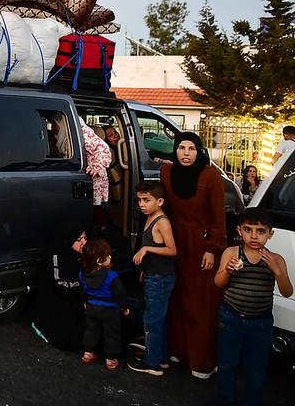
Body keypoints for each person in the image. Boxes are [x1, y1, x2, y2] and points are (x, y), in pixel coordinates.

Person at [160, 131, 226, 379]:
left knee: (200, 303)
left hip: (202, 246)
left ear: (199, 152)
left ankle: (202, 361)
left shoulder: (210, 176)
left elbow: (219, 220)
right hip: (175, 243)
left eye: (191, 149)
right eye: (181, 148)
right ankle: (179, 350)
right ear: (175, 150)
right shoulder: (167, 173)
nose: (186, 153)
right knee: (177, 298)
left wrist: (212, 250)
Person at [214, 207, 292, 406]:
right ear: (239, 230)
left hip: (260, 322)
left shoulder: (275, 259)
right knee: (226, 364)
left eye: (261, 231)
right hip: (230, 318)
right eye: (248, 230)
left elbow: (287, 291)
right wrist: (228, 271)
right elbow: (218, 282)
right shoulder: (232, 252)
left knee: (256, 368)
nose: (254, 236)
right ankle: (225, 400)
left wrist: (278, 272)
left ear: (270, 234)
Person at [127, 181, 177, 377]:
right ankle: (160, 357)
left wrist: (146, 249)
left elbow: (172, 250)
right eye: (140, 200)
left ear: (160, 201)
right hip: (152, 275)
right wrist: (144, 269)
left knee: (152, 321)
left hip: (160, 279)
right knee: (158, 319)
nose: (142, 204)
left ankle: (152, 362)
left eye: (146, 200)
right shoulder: (150, 218)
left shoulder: (162, 222)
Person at [30, 222, 87, 351]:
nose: (84, 242)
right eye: (79, 239)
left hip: (75, 296)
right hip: (58, 301)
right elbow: (60, 286)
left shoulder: (81, 256)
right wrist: (83, 289)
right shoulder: (55, 257)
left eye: (85, 238)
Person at [79, 238, 129, 371]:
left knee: (91, 330)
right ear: (99, 261)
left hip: (91, 307)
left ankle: (88, 353)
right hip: (110, 310)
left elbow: (82, 291)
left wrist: (85, 302)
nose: (110, 257)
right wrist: (124, 306)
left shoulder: (82, 275)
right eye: (107, 256)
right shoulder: (111, 276)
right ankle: (111, 360)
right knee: (111, 334)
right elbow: (120, 293)